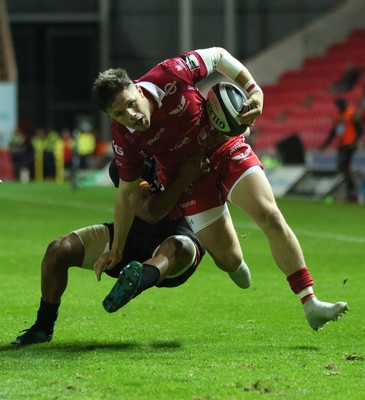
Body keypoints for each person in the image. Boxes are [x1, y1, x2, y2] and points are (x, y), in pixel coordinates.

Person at [92, 47, 348, 331]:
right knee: (229, 260)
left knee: (270, 215)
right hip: (187, 179)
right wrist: (117, 248)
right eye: (118, 113)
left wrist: (254, 90)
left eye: (130, 104)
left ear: (137, 90)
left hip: (225, 148)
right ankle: (233, 255)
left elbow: (218, 55)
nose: (130, 115)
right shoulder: (124, 137)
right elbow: (126, 194)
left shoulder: (170, 73)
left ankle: (310, 301)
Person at [11, 154, 208, 345]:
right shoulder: (128, 161)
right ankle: (43, 327)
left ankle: (137, 281)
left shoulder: (191, 149)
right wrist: (184, 179)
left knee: (177, 246)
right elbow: (148, 212)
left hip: (182, 235)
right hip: (132, 234)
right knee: (58, 250)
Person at [321, 97, 363, 202]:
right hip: (341, 144)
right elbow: (334, 132)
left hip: (349, 144)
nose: (341, 107)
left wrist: (356, 141)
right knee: (343, 167)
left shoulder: (351, 113)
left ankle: (351, 190)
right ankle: (351, 191)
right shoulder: (338, 117)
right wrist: (326, 144)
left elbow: (359, 127)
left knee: (342, 164)